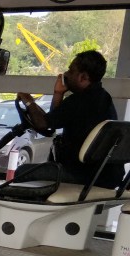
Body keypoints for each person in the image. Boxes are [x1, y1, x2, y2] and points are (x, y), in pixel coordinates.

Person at [16, 50, 124, 188]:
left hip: (81, 174)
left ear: (83, 77)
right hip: (106, 176)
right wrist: (58, 93)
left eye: (71, 71)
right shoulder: (104, 97)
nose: (66, 74)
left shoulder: (79, 101)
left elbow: (42, 124)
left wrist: (29, 101)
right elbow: (53, 120)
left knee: (22, 171)